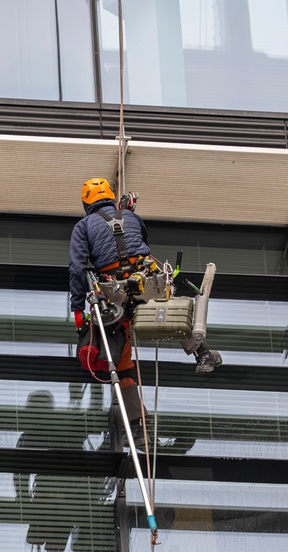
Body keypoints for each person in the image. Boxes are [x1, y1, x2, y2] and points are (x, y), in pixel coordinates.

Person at [68, 177, 222, 449]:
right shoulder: (130, 216)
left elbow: (78, 269)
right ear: (111, 198)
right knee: (172, 312)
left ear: (85, 203)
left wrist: (78, 310)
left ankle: (138, 431)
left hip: (114, 289)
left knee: (124, 360)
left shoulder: (83, 226)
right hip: (147, 277)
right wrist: (126, 211)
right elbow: (141, 240)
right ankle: (203, 353)